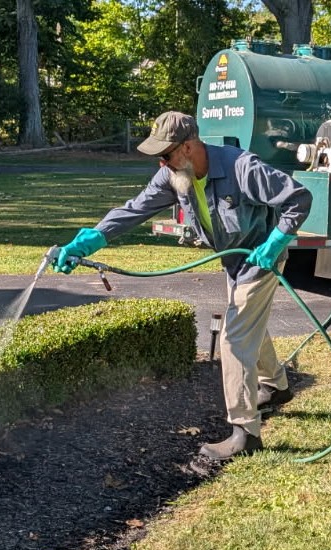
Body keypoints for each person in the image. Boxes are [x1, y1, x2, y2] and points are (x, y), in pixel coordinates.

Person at [53, 111, 313, 462]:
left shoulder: (242, 168)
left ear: (188, 147)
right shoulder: (175, 176)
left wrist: (275, 243)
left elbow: (299, 198)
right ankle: (277, 386)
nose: (161, 163)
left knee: (234, 336)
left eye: (166, 155)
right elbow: (134, 209)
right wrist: (91, 239)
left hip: (261, 258)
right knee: (246, 321)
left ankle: (245, 432)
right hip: (233, 259)